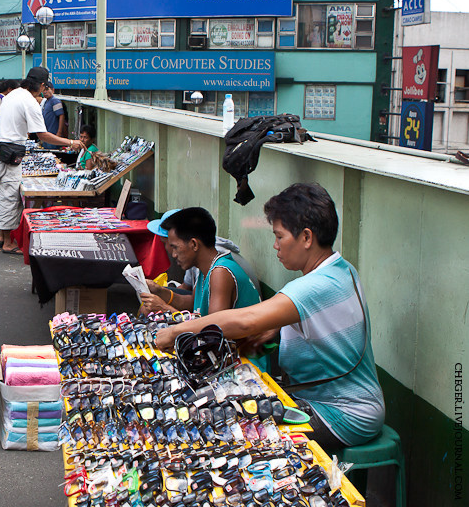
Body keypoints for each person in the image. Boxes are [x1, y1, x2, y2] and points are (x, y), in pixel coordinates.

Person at [155, 183, 385, 449]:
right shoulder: (342, 270)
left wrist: (175, 331)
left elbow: (245, 320)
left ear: (307, 238)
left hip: (342, 414)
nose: (275, 246)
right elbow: (299, 328)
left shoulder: (315, 286)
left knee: (231, 430)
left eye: (280, 236)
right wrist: (268, 336)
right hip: (337, 402)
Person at [0, 67, 83, 254]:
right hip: (9, 154)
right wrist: (71, 142)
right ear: (41, 85)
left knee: (0, 194)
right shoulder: (29, 102)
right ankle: (8, 242)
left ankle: (2, 236)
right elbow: (43, 135)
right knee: (10, 197)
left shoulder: (13, 94)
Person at [139, 208, 261, 318]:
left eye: (175, 247)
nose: (174, 254)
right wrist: (160, 291)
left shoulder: (220, 272)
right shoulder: (206, 268)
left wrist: (164, 308)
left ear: (194, 244)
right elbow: (193, 303)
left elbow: (212, 332)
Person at [40, 82, 66, 149]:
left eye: (47, 90)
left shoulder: (55, 101)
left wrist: (59, 133)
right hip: (47, 135)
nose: (45, 92)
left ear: (53, 90)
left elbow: (61, 116)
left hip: (53, 135)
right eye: (43, 90)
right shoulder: (46, 102)